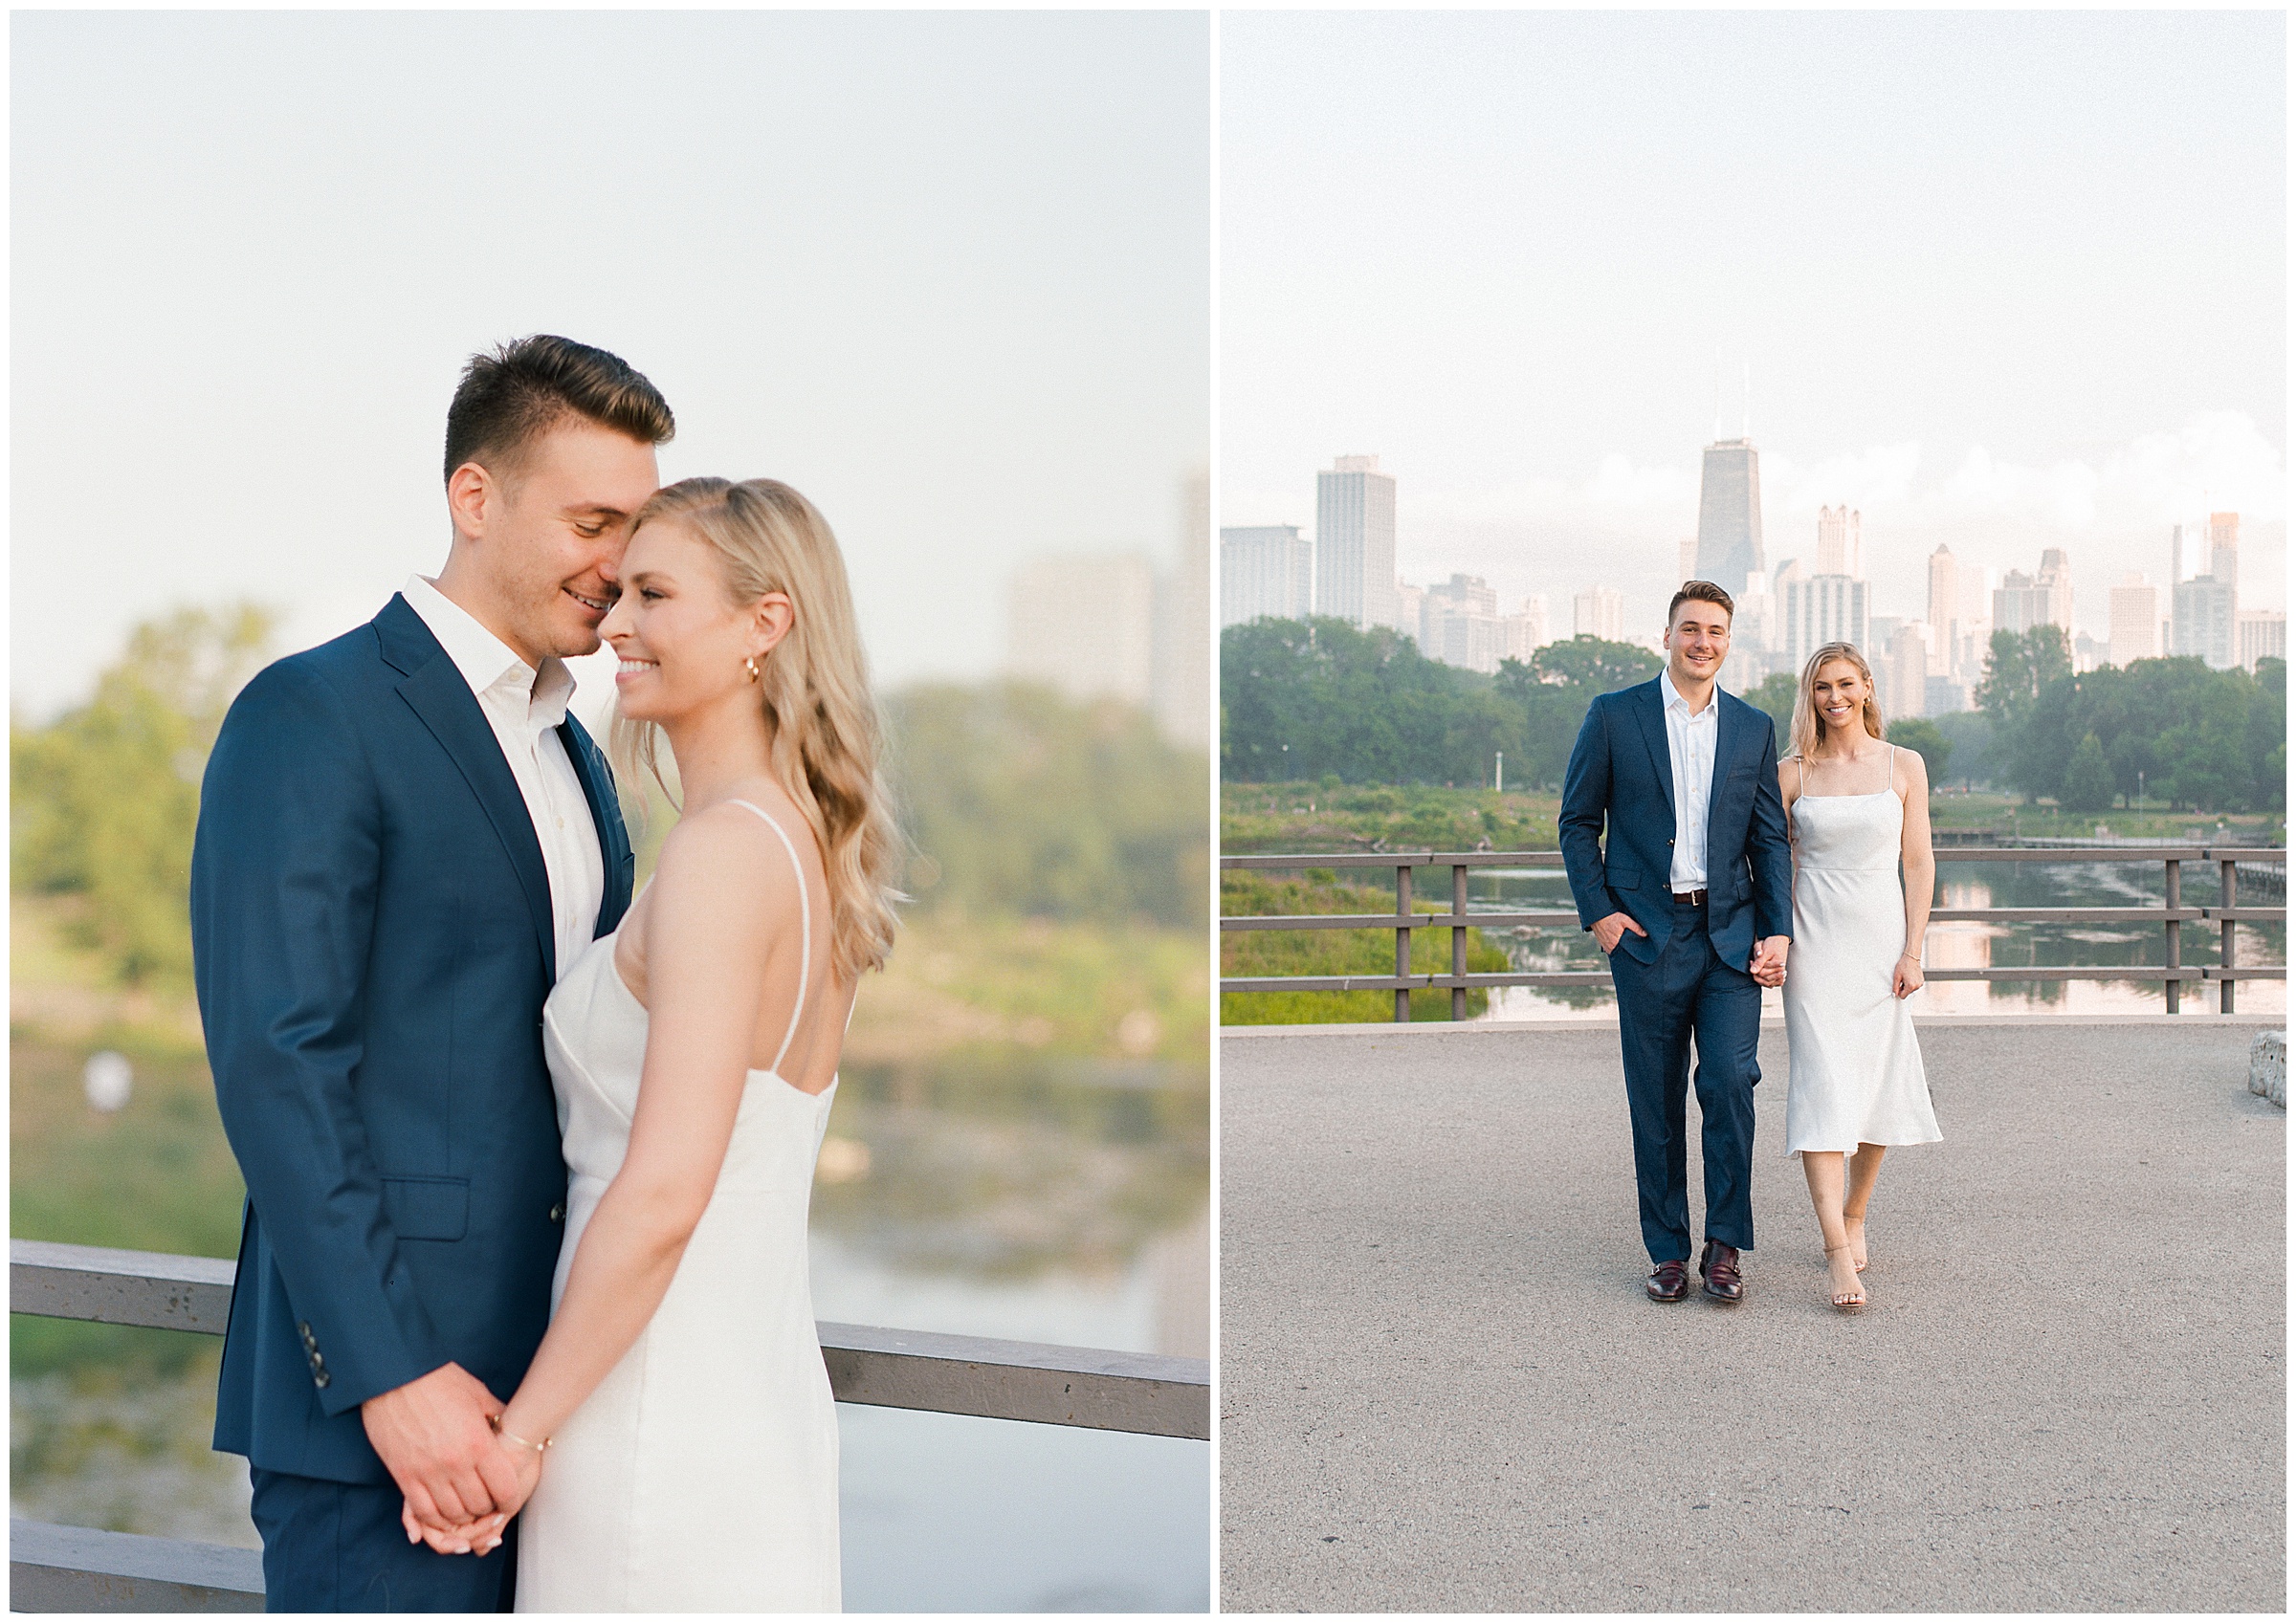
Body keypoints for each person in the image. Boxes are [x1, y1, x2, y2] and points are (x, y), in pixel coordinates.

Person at [191, 335, 671, 1610]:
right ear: (474, 497)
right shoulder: (313, 715)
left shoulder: (573, 749)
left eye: (637, 524)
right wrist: (395, 1378)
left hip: (557, 1421)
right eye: (590, 518)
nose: (618, 563)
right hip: (385, 1429)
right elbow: (278, 1066)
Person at [418, 477, 902, 1612]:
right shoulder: (796, 844)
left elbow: (665, 1190)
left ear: (764, 624)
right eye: (618, 587)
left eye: (653, 592)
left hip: (650, 1406)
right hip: (750, 1390)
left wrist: (519, 1438)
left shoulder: (726, 854)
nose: (613, 622)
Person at [1559, 581, 1794, 1305]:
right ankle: (1666, 1250)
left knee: (1729, 1081)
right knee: (1655, 1102)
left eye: (1716, 630)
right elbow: (1576, 822)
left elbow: (1768, 836)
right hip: (1646, 938)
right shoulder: (1614, 716)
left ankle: (1723, 1247)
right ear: (1667, 636)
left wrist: (1778, 928)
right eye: (1690, 628)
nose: (1703, 641)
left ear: (1729, 640)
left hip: (1729, 936)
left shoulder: (1752, 727)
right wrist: (1599, 912)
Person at [1776, 643, 1943, 1311]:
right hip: (1814, 949)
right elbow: (1772, 866)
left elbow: (1920, 863)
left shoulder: (1905, 765)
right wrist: (1776, 942)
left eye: (1846, 683)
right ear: (1810, 695)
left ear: (1869, 687)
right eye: (1822, 686)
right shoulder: (1791, 773)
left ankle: (1855, 1212)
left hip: (1880, 948)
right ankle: (1837, 1255)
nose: (1835, 696)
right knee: (1821, 1088)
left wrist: (1913, 950)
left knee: (1877, 1087)